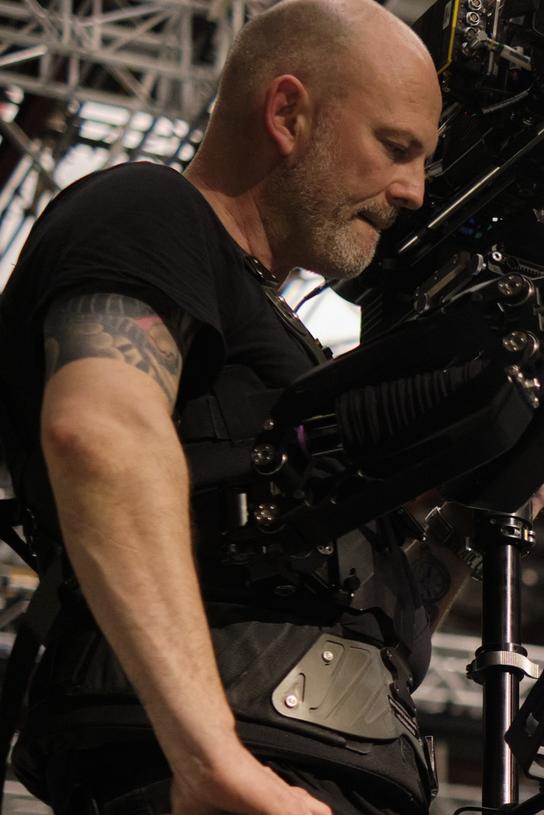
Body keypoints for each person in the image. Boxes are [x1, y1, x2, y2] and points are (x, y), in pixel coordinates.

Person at [0, 1, 481, 813]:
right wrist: (213, 758)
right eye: (395, 148)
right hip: (206, 773)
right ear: (287, 111)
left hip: (319, 774)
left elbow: (374, 629)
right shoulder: (148, 211)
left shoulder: (287, 351)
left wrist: (470, 509)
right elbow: (99, 430)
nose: (413, 192)